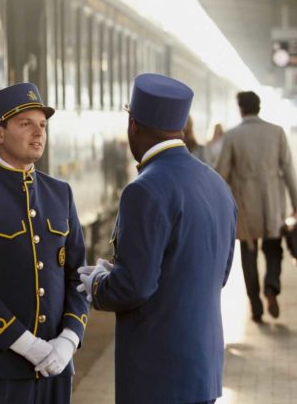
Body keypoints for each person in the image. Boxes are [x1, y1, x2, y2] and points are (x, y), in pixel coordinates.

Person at [77, 73, 236, 404]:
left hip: (157, 374)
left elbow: (133, 288)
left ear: (133, 125)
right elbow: (218, 274)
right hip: (201, 371)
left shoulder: (144, 190)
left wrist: (97, 284)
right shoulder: (216, 184)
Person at [0, 82, 89, 404]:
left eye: (42, 125)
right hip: (0, 369)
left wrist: (68, 338)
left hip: (56, 366)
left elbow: (78, 273)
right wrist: (24, 343)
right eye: (26, 125)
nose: (38, 133)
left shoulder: (60, 193)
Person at [215, 91, 297, 322]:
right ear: (259, 107)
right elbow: (289, 170)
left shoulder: (233, 135)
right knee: (274, 251)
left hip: (245, 208)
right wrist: (296, 203)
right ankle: (271, 287)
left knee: (248, 255)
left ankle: (256, 307)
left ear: (241, 109)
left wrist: (216, 205)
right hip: (272, 206)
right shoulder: (276, 132)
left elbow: (220, 174)